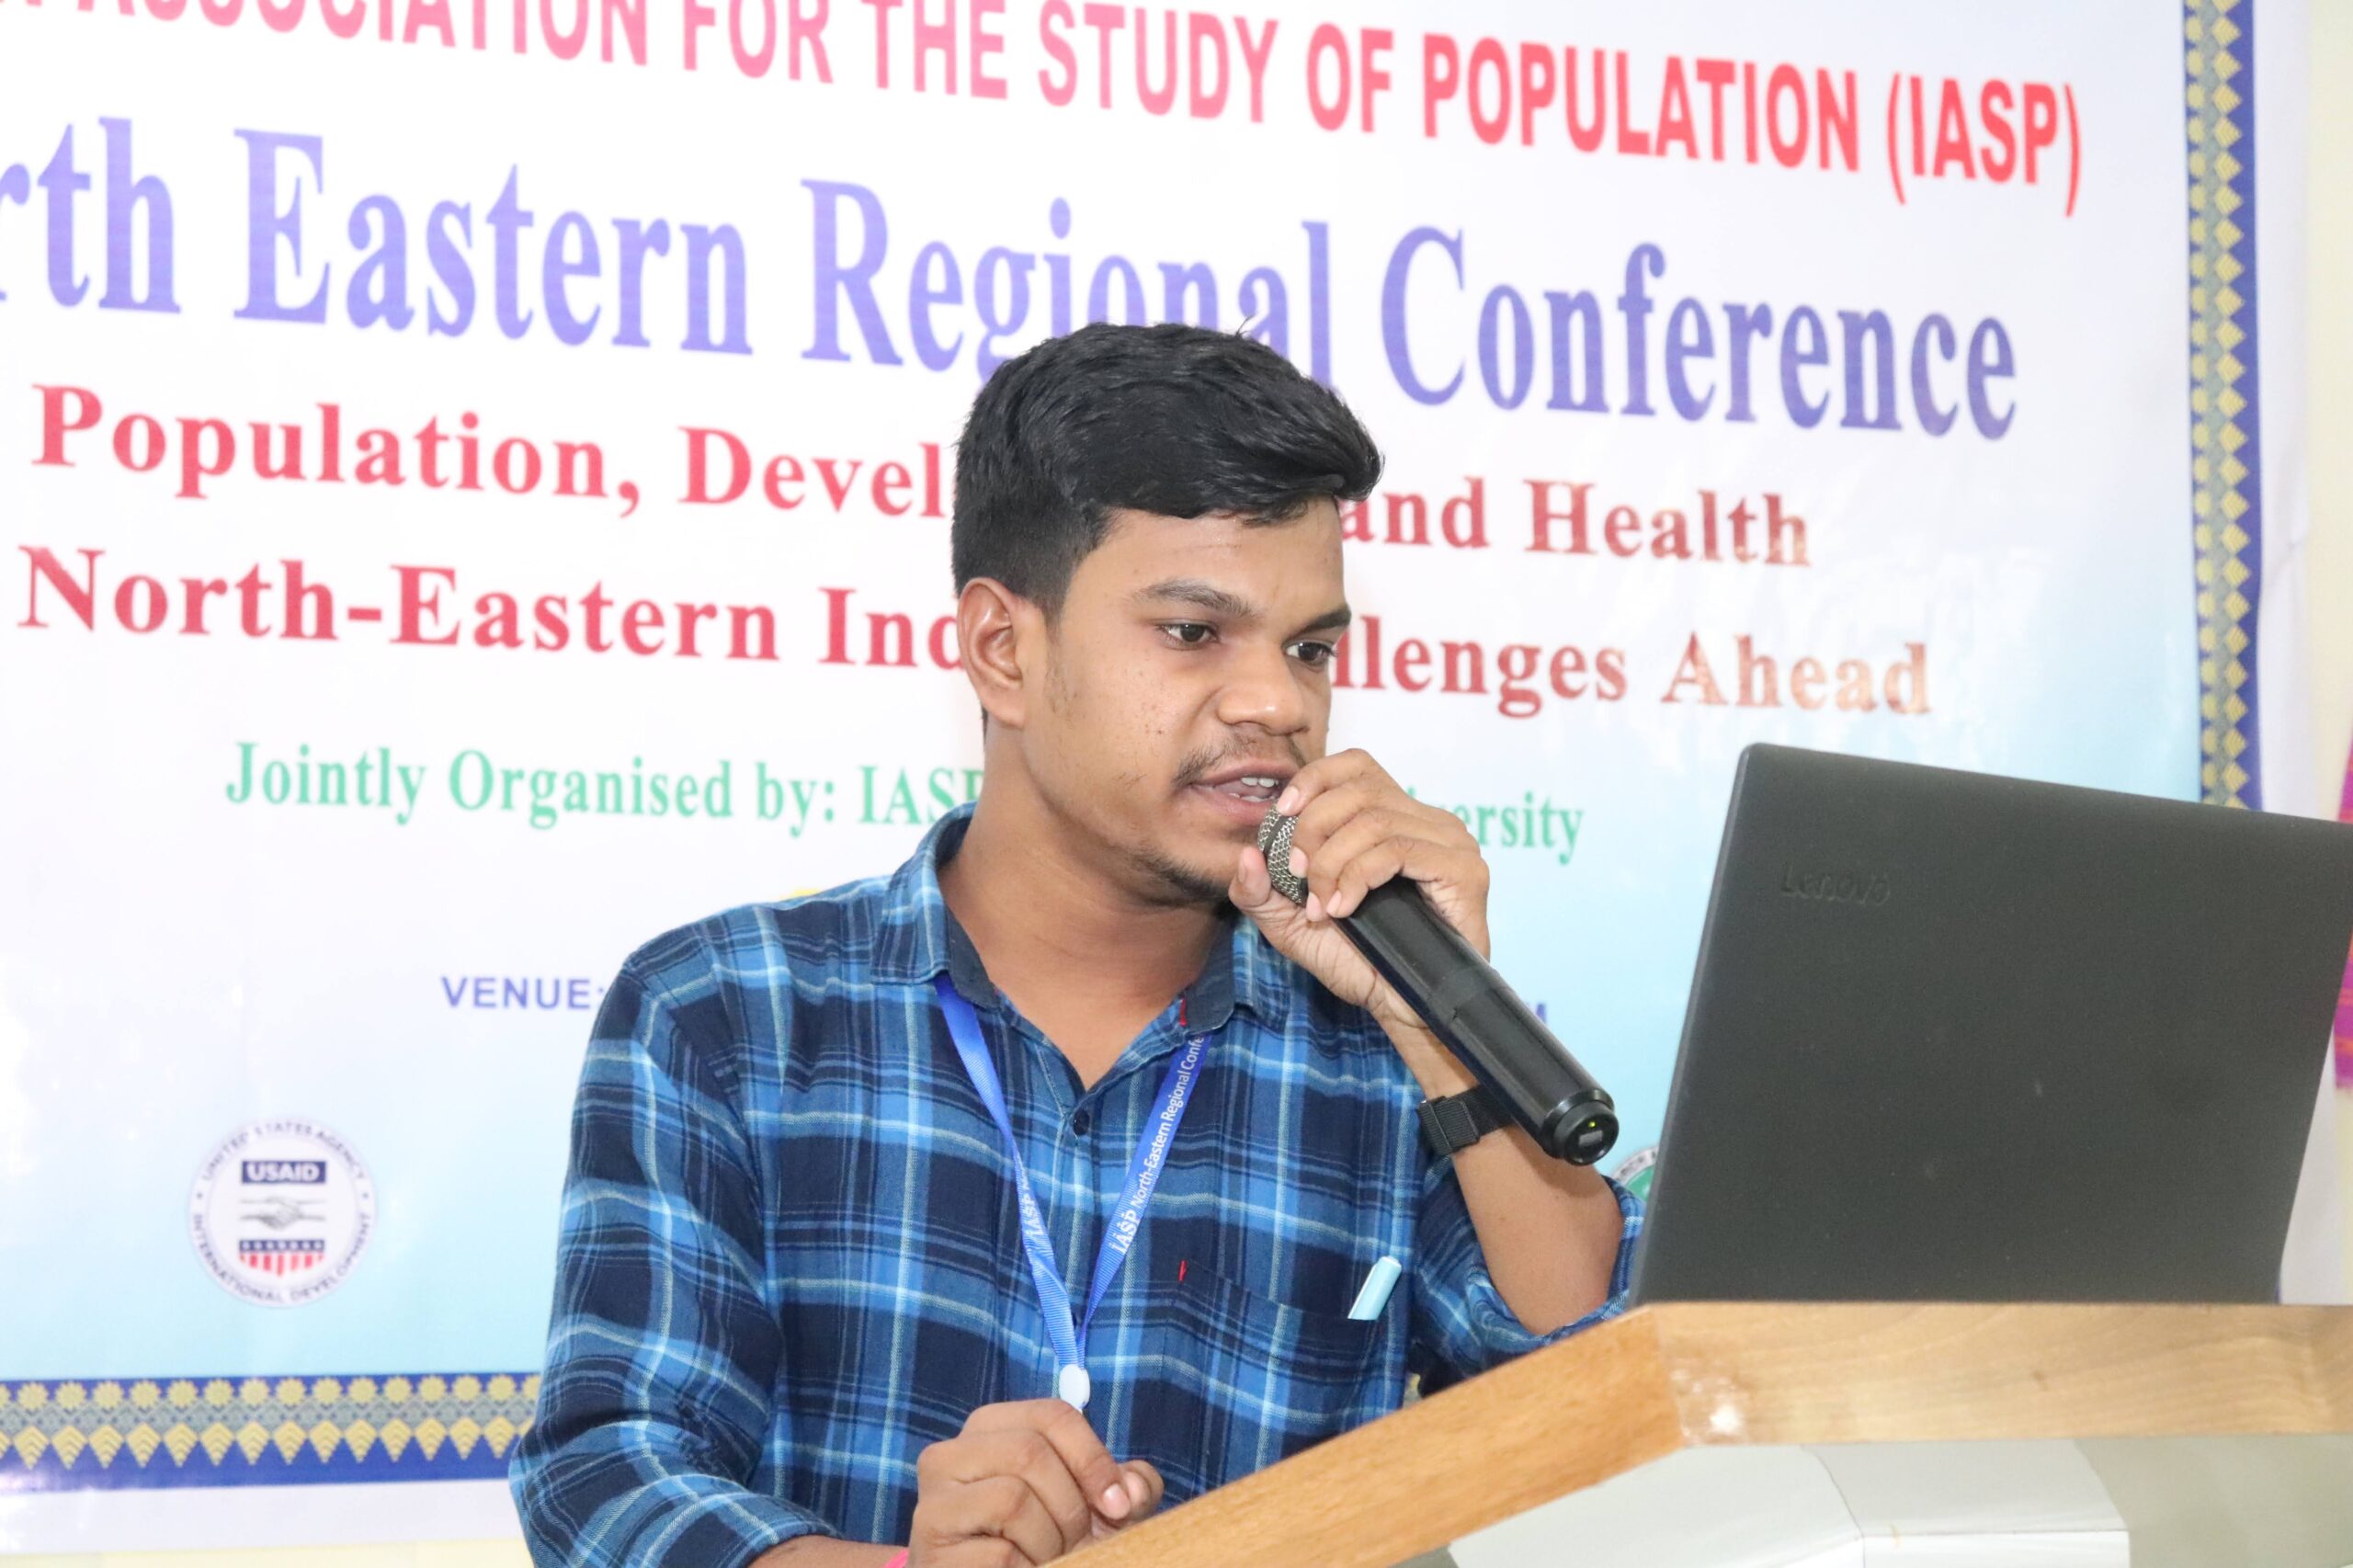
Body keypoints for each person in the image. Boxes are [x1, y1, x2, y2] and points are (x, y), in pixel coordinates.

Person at [510, 323, 1640, 1567]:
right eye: (1194, 632)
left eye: (1310, 648)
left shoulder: (1385, 1041)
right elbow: (614, 1472)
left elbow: (1600, 1398)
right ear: (1004, 650)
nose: (1278, 702)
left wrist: (1435, 1026)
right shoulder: (729, 1013)